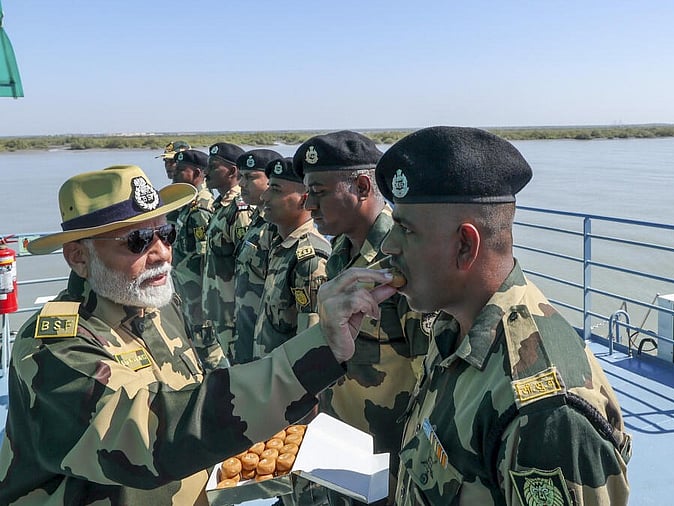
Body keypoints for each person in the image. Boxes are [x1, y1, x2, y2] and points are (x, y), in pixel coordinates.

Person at [0, 164, 395, 505]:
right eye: (137, 241)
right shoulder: (54, 345)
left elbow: (194, 398)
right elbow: (149, 435)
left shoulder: (158, 307)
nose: (161, 253)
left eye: (165, 233)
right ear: (79, 257)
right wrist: (312, 356)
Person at [374, 126, 631, 504]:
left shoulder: (545, 411)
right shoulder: (452, 326)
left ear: (465, 245)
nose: (388, 245)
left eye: (405, 230)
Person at [299, 130, 431, 491]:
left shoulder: (401, 264)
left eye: (319, 192)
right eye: (308, 193)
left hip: (388, 461)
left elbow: (430, 379)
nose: (309, 206)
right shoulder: (340, 253)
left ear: (361, 186)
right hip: (342, 443)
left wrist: (408, 477)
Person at [253, 157, 330, 358]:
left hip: (288, 375)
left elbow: (310, 344)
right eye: (268, 187)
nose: (264, 197)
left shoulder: (309, 259)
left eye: (276, 190)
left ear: (304, 200)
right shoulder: (281, 246)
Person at [202, 142, 251, 361]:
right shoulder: (220, 205)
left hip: (234, 311)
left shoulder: (240, 209)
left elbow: (246, 264)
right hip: (219, 307)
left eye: (213, 167)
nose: (206, 172)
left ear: (232, 171)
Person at [232, 148, 281, 364]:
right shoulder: (257, 221)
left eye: (250, 177)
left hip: (267, 343)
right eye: (241, 177)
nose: (241, 184)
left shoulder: (276, 228)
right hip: (247, 333)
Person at [169, 149, 216, 346]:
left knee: (207, 348)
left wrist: (206, 300)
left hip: (198, 293)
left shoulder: (201, 207)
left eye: (181, 170)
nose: (174, 173)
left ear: (197, 173)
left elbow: (206, 259)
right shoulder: (188, 203)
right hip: (186, 289)